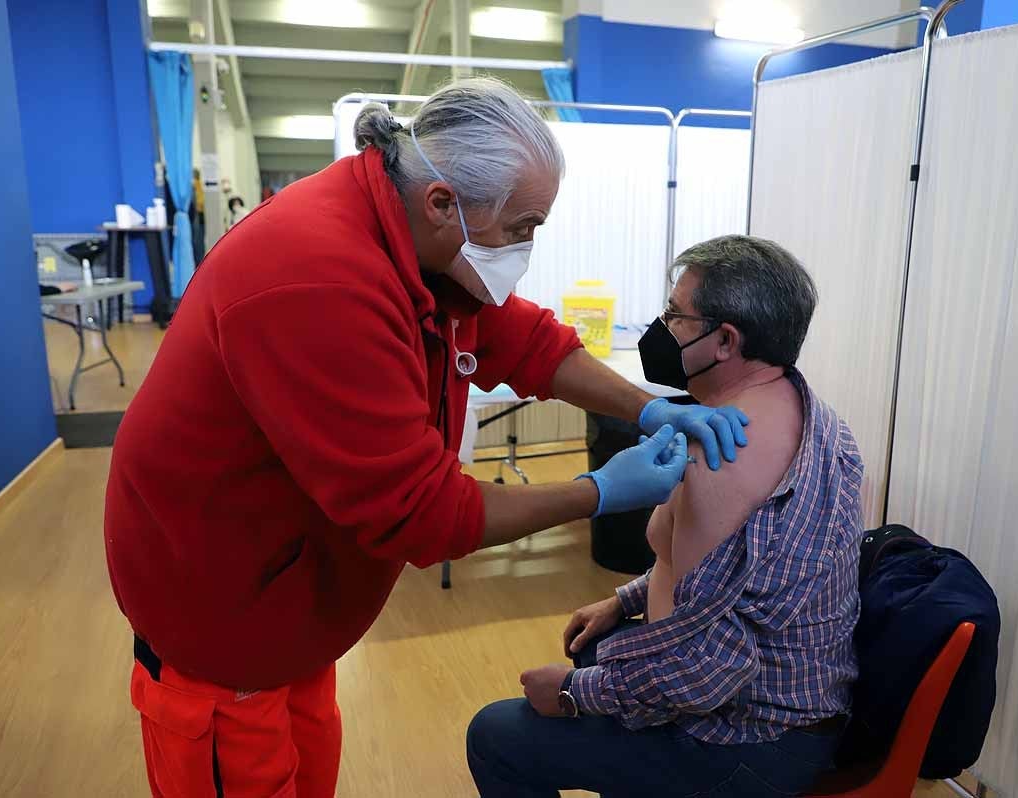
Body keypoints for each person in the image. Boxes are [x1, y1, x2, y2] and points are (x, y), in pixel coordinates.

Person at [105, 78, 751, 797]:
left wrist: (646, 408)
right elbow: (421, 512)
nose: (527, 247)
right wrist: (598, 490)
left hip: (294, 604)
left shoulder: (415, 234)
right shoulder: (316, 279)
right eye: (524, 227)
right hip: (220, 606)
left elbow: (520, 338)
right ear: (443, 202)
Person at [467, 235, 865, 798]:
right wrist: (622, 601)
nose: (661, 327)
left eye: (676, 316)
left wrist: (572, 695)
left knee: (496, 734)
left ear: (725, 340)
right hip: (787, 699)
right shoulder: (804, 409)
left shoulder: (724, 456)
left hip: (750, 739)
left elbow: (708, 673)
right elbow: (715, 582)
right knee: (591, 645)